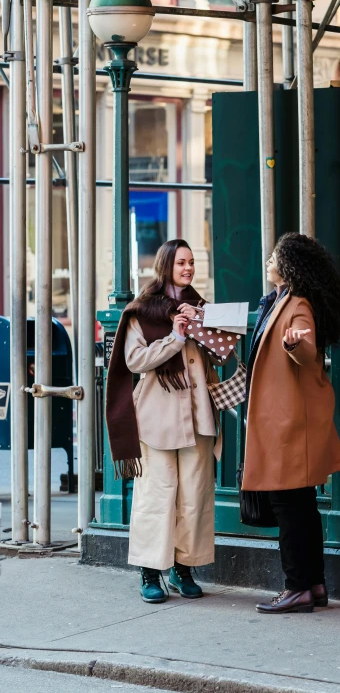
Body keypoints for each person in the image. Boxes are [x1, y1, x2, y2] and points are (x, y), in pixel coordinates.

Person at [106, 239, 221, 603]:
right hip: (157, 418)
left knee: (194, 498)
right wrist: (176, 336)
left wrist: (215, 336)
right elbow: (135, 361)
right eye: (181, 262)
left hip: (197, 415)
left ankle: (183, 567)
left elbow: (214, 356)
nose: (188, 268)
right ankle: (150, 571)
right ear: (166, 264)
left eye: (191, 262)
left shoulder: (201, 307)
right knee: (155, 496)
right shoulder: (141, 311)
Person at [242, 232, 340, 614]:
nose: (268, 260)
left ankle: (296, 587)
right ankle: (314, 584)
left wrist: (294, 343)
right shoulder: (280, 301)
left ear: (289, 266)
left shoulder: (297, 305)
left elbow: (306, 350)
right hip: (285, 419)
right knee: (301, 505)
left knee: (289, 506)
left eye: (275, 256)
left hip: (288, 423)